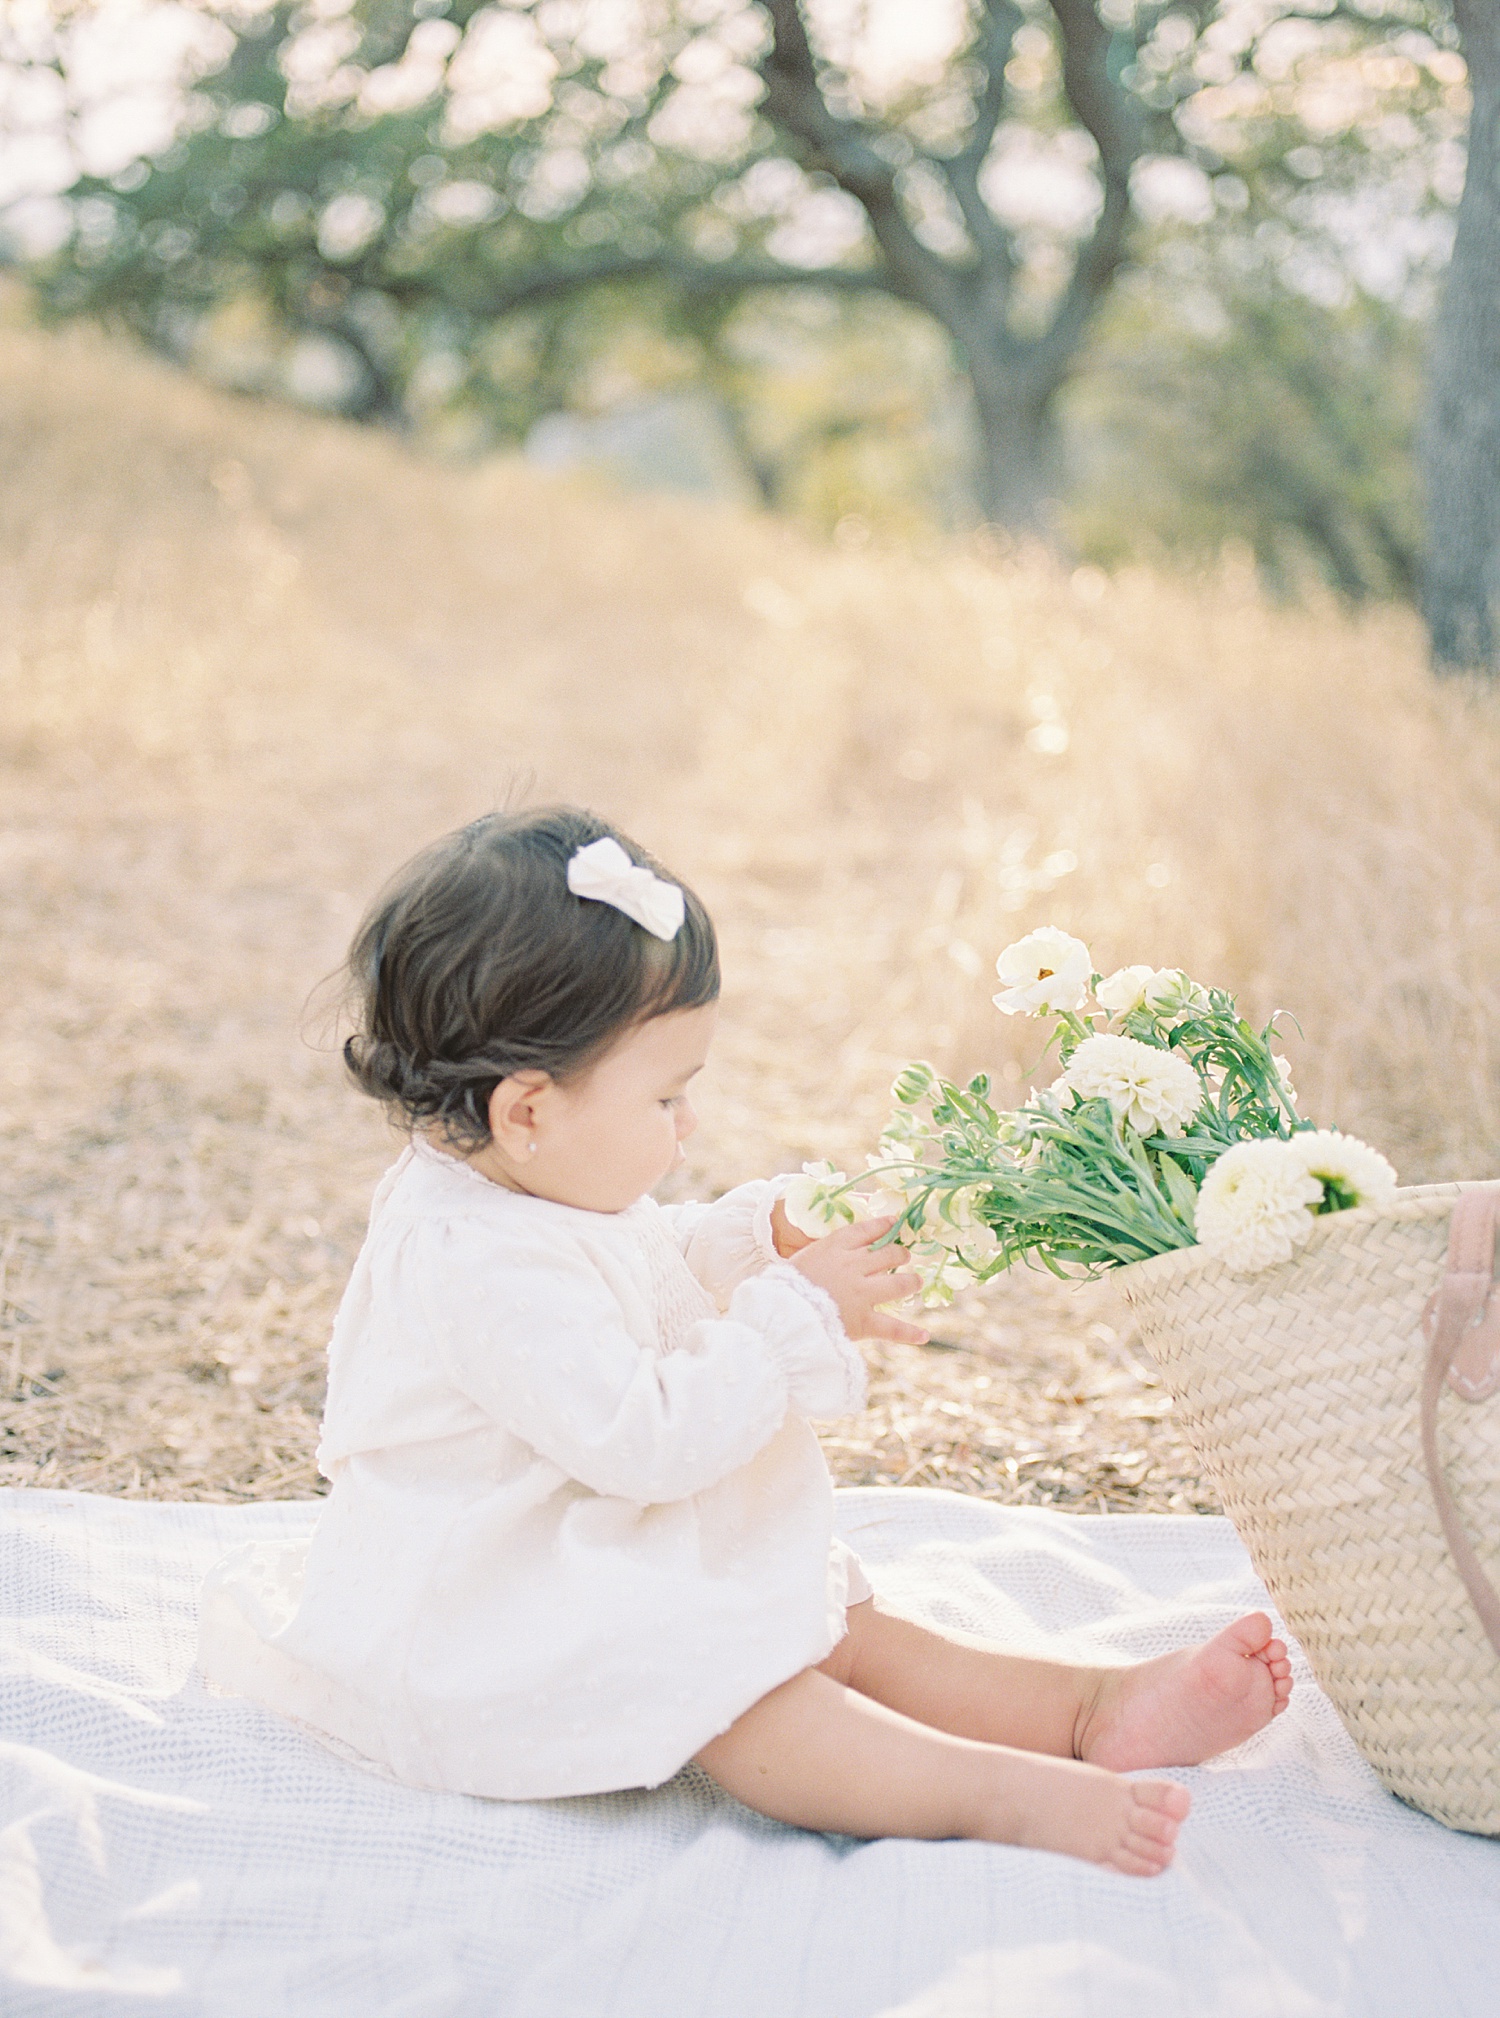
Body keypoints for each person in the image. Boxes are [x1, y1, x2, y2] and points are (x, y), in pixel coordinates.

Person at [198, 806, 1292, 1876]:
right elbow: (642, 1437)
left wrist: (759, 1237)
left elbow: (641, 1267)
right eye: (668, 1094)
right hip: (491, 1603)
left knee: (832, 1615)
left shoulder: (526, 1176)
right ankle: (987, 1790)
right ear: (527, 1109)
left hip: (571, 1527)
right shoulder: (470, 1258)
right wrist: (792, 1317)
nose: (690, 1126)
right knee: (735, 1679)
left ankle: (1088, 1708)